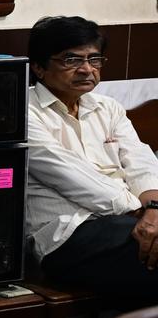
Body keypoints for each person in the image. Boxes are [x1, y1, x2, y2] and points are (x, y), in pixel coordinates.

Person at [25, 15, 158, 300]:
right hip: (65, 234)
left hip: (128, 223)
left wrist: (154, 208)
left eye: (94, 59)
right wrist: (142, 212)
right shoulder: (24, 113)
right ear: (38, 67)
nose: (87, 69)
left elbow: (140, 161)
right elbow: (68, 175)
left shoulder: (108, 108)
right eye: (71, 60)